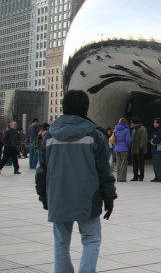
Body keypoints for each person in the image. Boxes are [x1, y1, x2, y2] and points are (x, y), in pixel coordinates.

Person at [35, 90, 117, 273]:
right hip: (87, 198)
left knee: (61, 243)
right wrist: (109, 198)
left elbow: (42, 171)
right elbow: (105, 171)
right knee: (91, 239)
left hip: (58, 197)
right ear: (85, 109)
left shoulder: (50, 136)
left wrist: (43, 196)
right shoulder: (94, 135)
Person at [113, 118, 131, 182]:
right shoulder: (126, 130)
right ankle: (122, 178)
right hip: (124, 148)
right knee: (123, 163)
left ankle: (118, 177)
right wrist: (129, 146)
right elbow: (128, 140)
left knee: (118, 163)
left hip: (117, 148)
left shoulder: (115, 129)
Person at [130, 117, 147, 181]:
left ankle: (141, 176)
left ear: (135, 123)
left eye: (132, 123)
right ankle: (135, 176)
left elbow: (143, 138)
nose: (131, 124)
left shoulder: (142, 129)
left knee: (141, 164)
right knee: (135, 164)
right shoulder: (134, 130)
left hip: (140, 150)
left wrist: (141, 147)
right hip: (134, 150)